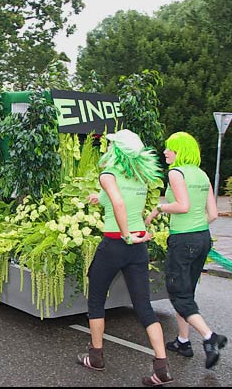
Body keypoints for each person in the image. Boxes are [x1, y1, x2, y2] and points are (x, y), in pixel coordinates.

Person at [78, 129, 173, 387]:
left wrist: (125, 235)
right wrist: (102, 198)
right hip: (138, 246)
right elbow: (127, 204)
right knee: (143, 306)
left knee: (96, 298)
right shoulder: (141, 177)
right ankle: (161, 366)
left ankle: (95, 356)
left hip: (116, 243)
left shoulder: (109, 174)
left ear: (116, 150)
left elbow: (120, 204)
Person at [145, 131, 227, 369]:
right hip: (202, 237)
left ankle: (210, 338)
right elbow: (213, 214)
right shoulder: (202, 174)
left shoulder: (175, 173)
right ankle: (183, 341)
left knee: (178, 293)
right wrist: (195, 227)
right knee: (187, 291)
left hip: (183, 241)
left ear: (179, 151)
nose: (165, 152)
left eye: (169, 148)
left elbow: (182, 205)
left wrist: (159, 208)